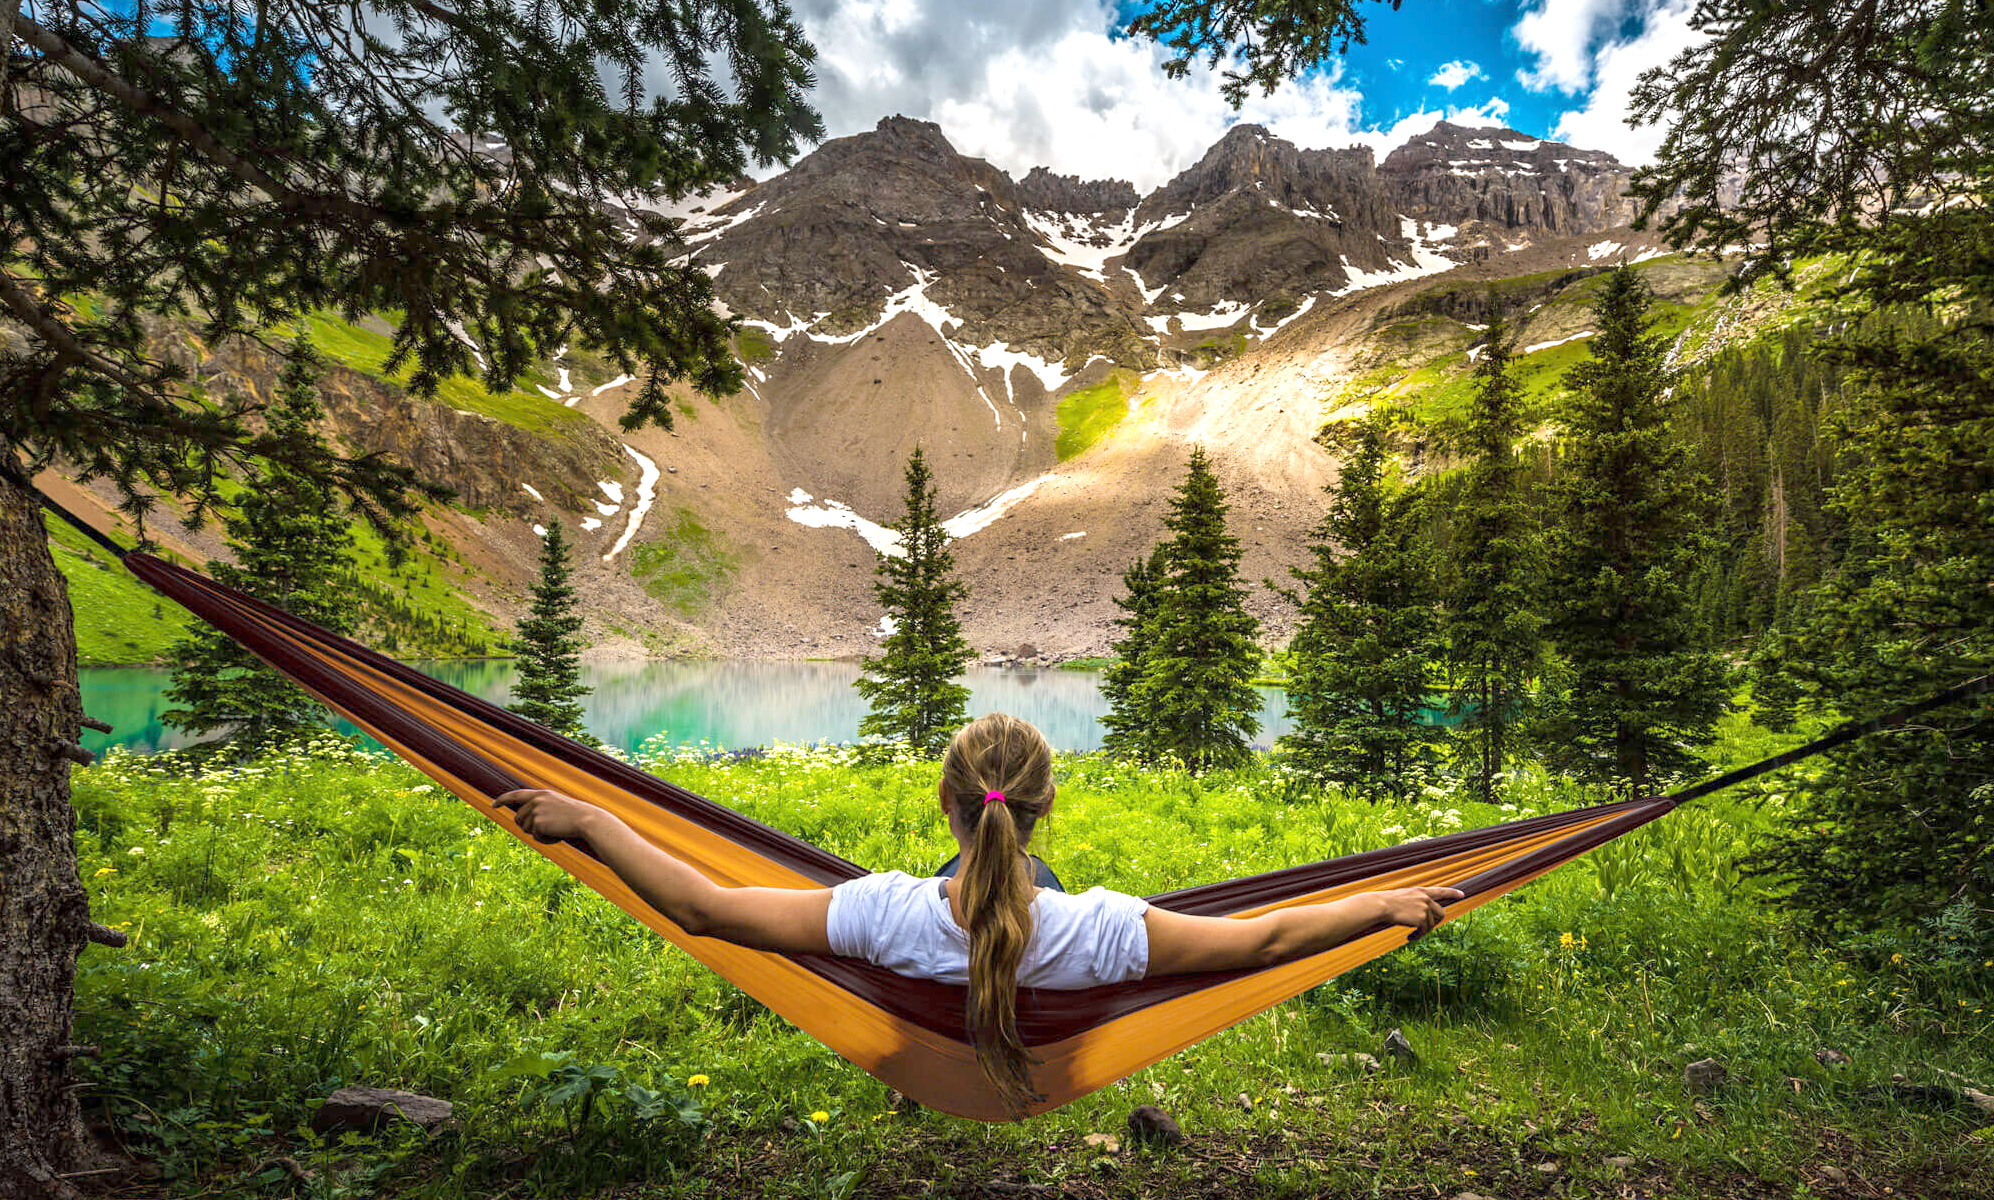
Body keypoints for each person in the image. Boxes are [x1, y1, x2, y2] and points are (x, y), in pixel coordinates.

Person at [496, 712, 1461, 1114]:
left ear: (946, 807)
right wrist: (1383, 902)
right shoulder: (1099, 932)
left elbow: (700, 909)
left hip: (921, 943)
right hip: (1060, 942)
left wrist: (591, 817)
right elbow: (1270, 938)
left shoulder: (880, 915)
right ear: (1043, 810)